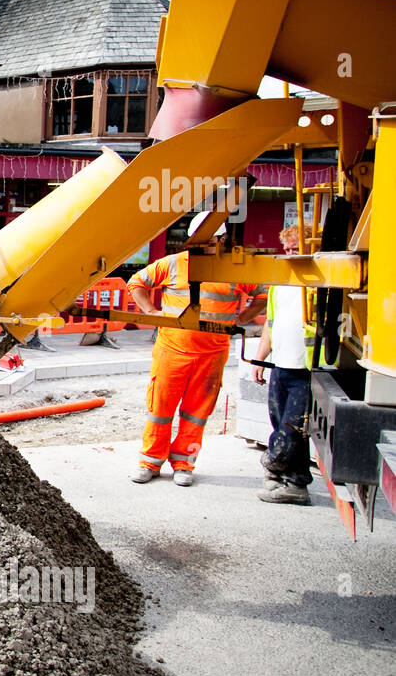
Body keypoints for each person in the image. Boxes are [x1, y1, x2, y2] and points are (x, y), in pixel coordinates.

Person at [127, 213, 267, 486]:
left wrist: (243, 318)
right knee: (160, 408)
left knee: (196, 412)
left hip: (212, 355)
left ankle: (184, 464)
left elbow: (263, 292)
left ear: (221, 240)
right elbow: (136, 283)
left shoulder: (233, 269)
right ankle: (150, 462)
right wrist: (150, 311)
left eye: (212, 240)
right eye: (201, 241)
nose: (206, 246)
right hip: (172, 350)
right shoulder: (173, 265)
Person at [252, 225, 315, 505]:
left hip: (307, 369)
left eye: (296, 248)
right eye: (287, 249)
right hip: (281, 366)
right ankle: (294, 483)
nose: (290, 254)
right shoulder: (281, 282)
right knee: (281, 425)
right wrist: (260, 358)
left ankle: (273, 465)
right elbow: (271, 323)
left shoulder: (319, 281)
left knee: (291, 430)